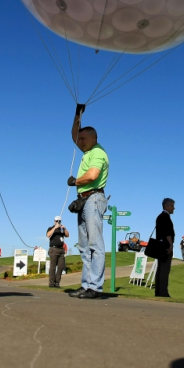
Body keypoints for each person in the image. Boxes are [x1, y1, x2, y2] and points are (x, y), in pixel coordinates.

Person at [67, 104, 109, 300]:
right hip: (84, 200)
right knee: (84, 247)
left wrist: (75, 181)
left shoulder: (98, 153)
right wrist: (78, 115)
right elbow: (74, 133)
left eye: (84, 139)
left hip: (93, 198)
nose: (80, 141)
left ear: (94, 138)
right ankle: (86, 285)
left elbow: (93, 175)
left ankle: (95, 287)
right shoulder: (87, 151)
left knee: (95, 244)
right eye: (80, 139)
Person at [154, 198, 175, 297]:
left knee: (160, 269)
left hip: (159, 245)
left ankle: (158, 291)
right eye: (172, 206)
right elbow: (167, 233)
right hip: (165, 246)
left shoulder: (159, 217)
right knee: (164, 269)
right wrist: (171, 244)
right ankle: (163, 292)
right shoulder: (165, 217)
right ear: (166, 206)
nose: (173, 208)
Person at [47, 215, 69, 288]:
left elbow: (67, 235)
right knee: (53, 267)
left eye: (59, 221)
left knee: (60, 267)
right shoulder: (51, 228)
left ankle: (57, 283)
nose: (58, 222)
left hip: (61, 249)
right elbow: (48, 235)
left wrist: (64, 228)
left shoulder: (61, 229)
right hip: (53, 249)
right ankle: (51, 283)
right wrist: (54, 228)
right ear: (54, 221)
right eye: (57, 221)